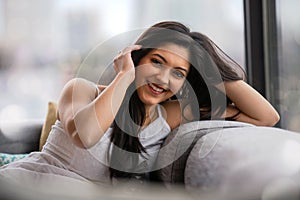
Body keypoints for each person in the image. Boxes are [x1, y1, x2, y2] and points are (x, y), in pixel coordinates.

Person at [0, 21, 279, 187]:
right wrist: (124, 75)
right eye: (157, 62)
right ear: (137, 57)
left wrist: (205, 63)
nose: (163, 78)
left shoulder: (167, 116)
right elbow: (85, 135)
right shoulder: (82, 90)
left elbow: (266, 116)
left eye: (178, 73)